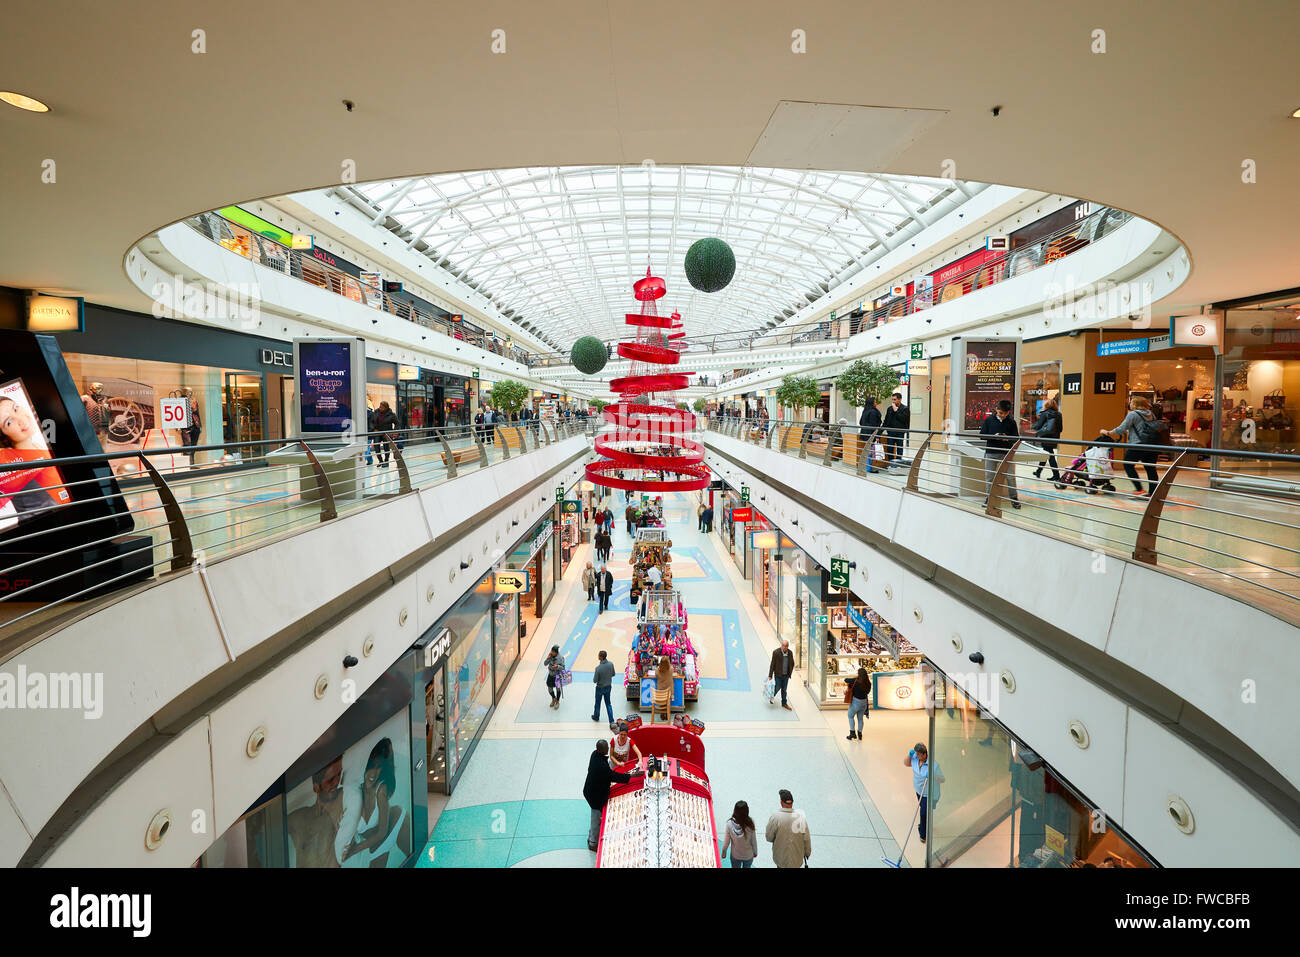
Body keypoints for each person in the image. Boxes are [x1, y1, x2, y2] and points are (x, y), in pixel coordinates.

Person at [583, 739, 637, 852]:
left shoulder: (595, 754)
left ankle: (590, 837)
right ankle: (593, 843)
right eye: (606, 747)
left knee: (595, 817)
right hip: (595, 796)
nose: (608, 748)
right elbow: (612, 776)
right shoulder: (601, 766)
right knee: (596, 818)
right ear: (601, 749)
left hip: (590, 790)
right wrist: (632, 775)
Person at [1104, 395, 1164, 496]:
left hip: (1138, 445)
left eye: (1131, 402)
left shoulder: (1133, 414)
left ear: (1135, 404)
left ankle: (1139, 489)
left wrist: (1108, 432)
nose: (1130, 403)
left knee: (1128, 465)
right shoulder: (1152, 414)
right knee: (1150, 469)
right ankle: (1153, 493)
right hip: (1152, 445)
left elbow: (1122, 429)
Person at [979, 399, 1022, 509]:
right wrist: (994, 436)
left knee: (1010, 477)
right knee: (990, 477)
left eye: (1006, 413)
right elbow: (982, 435)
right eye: (1001, 413)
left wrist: (1007, 438)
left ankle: (1014, 499)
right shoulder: (988, 420)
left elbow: (1016, 438)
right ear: (996, 409)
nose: (1003, 415)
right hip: (991, 452)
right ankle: (989, 498)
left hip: (1007, 453)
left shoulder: (1012, 422)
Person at [903, 743, 944, 844]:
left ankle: (922, 834)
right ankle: (924, 825)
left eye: (918, 754)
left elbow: (942, 779)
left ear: (924, 754)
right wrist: (909, 755)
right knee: (924, 810)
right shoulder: (915, 758)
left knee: (923, 813)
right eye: (915, 754)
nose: (916, 756)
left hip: (928, 793)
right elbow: (906, 763)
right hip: (918, 790)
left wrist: (933, 775)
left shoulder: (933, 765)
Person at [765, 789, 811, 868]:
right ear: (792, 803)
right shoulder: (800, 817)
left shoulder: (775, 817)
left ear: (781, 802)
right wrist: (807, 852)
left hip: (781, 859)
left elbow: (769, 837)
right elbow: (806, 839)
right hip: (796, 860)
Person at [1030, 398, 1064, 487]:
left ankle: (1056, 475)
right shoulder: (1059, 415)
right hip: (1055, 438)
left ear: (1046, 405)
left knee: (1049, 455)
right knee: (1047, 453)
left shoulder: (1045, 414)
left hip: (1045, 437)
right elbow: (1061, 429)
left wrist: (1034, 427)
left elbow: (1039, 426)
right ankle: (1038, 471)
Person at [721, 800, 759, 868]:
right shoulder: (750, 824)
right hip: (748, 855)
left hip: (735, 855)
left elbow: (726, 842)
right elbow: (753, 840)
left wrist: (724, 852)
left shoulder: (729, 824)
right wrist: (755, 852)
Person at [591, 649, 617, 728]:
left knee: (598, 703)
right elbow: (613, 674)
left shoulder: (598, 668)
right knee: (608, 704)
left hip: (600, 688)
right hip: (608, 687)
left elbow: (595, 680)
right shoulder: (611, 664)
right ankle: (611, 721)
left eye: (598, 655)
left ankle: (596, 716)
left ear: (601, 657)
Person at [882, 392, 910, 464]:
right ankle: (891, 463)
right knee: (890, 448)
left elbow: (904, 419)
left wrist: (896, 411)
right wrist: (880, 431)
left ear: (900, 399)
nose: (893, 401)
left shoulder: (905, 409)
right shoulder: (890, 409)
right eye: (892, 400)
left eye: (895, 399)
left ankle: (898, 463)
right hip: (891, 432)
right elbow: (886, 421)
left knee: (899, 448)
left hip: (900, 432)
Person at [768, 639, 795, 711]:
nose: (784, 647)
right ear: (781, 645)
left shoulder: (790, 653)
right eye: (783, 646)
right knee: (777, 687)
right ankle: (771, 696)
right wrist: (770, 675)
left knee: (784, 690)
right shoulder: (776, 652)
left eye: (786, 646)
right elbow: (772, 664)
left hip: (786, 675)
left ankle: (784, 703)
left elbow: (792, 663)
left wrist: (790, 673)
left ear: (788, 646)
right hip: (778, 675)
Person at [846, 667, 871, 740]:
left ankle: (852, 733)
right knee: (860, 719)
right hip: (864, 703)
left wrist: (855, 678)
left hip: (855, 702)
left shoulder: (856, 681)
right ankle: (860, 734)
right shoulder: (868, 683)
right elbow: (868, 692)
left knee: (850, 716)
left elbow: (846, 680)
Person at [373, 401, 398, 467]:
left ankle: (386, 461)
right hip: (377, 432)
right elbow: (371, 422)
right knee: (376, 446)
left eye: (381, 407)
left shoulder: (391, 414)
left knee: (386, 447)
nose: (380, 408)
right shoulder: (376, 412)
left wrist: (395, 432)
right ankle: (380, 461)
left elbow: (397, 424)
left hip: (387, 433)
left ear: (386, 408)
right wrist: (373, 429)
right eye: (379, 406)